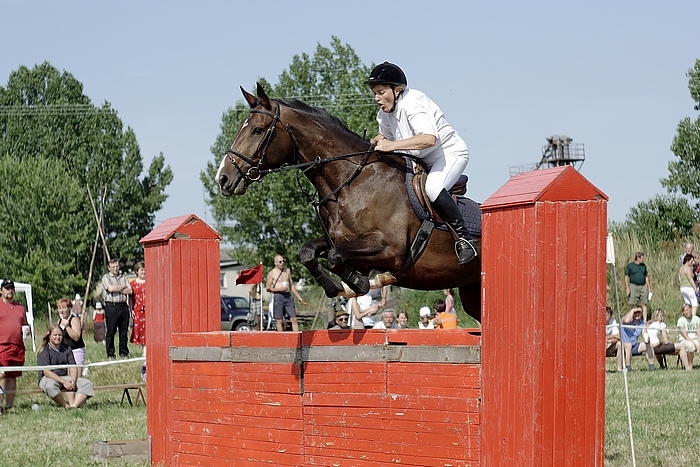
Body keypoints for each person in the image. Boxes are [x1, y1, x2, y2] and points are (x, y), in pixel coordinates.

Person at [366, 62, 478, 265]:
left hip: (448, 154)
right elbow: (384, 136)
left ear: (397, 90)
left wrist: (390, 146)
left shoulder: (413, 103)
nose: (377, 99)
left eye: (381, 92)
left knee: (433, 188)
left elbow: (428, 139)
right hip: (422, 158)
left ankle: (465, 240)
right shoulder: (385, 112)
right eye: (375, 93)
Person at [36, 325, 94, 408]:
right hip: (48, 378)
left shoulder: (67, 348)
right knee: (50, 387)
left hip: (65, 377)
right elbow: (46, 372)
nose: (57, 337)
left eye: (59, 335)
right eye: (55, 335)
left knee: (87, 384)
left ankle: (73, 406)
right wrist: (64, 382)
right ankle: (65, 405)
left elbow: (73, 366)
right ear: (49, 336)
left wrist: (73, 381)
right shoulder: (44, 351)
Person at [0, 279, 28, 410]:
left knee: (12, 376)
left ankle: (9, 405)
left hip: (17, 346)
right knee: (1, 375)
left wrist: (27, 330)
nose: (10, 290)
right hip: (2, 344)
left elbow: (25, 324)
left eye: (11, 288)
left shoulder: (20, 307)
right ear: (1, 291)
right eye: (7, 288)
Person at [101, 258, 133, 358]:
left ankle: (124, 352)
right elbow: (110, 288)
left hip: (123, 306)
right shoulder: (106, 277)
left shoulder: (123, 277)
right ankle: (110, 354)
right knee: (111, 331)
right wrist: (122, 287)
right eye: (113, 267)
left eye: (117, 266)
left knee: (124, 332)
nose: (115, 269)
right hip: (112, 306)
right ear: (109, 268)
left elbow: (130, 291)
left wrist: (117, 288)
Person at [266, 255, 304, 332]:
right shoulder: (271, 273)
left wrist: (298, 297)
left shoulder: (287, 271)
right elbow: (268, 288)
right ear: (275, 263)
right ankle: (281, 339)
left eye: (283, 261)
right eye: (280, 262)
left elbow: (292, 285)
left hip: (288, 296)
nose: (282, 263)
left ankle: (297, 338)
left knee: (294, 319)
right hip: (278, 296)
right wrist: (279, 289)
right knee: (279, 320)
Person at [56, 297, 86, 367]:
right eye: (59, 308)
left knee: (76, 376)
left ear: (69, 309)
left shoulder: (74, 320)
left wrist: (67, 327)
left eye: (63, 308)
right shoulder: (59, 321)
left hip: (76, 350)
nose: (61, 311)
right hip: (64, 352)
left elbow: (76, 337)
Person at [619, 306, 650, 372]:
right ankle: (628, 368)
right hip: (623, 345)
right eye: (635, 312)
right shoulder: (625, 319)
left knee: (647, 345)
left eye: (639, 312)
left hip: (634, 345)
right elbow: (626, 321)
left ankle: (651, 366)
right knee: (629, 345)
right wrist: (633, 310)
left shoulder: (641, 323)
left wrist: (647, 338)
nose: (637, 314)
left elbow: (644, 333)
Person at [130, 261, 146, 380]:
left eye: (145, 270)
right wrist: (131, 309)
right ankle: (143, 350)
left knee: (149, 330)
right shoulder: (133, 284)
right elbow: (130, 298)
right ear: (137, 271)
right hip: (138, 309)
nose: (144, 272)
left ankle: (147, 350)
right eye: (141, 270)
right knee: (140, 330)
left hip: (149, 309)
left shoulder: (150, 282)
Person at [624, 252, 652, 323]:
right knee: (634, 304)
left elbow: (646, 276)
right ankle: (633, 320)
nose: (643, 260)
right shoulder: (630, 266)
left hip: (643, 286)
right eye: (642, 258)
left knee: (644, 304)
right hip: (634, 286)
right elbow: (626, 276)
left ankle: (645, 321)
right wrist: (627, 287)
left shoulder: (643, 266)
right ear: (638, 258)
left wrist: (649, 287)